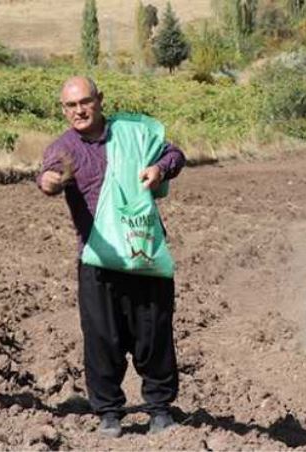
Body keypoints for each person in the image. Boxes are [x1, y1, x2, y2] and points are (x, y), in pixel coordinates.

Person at [38, 76, 185, 437]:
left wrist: (158, 170)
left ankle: (160, 409)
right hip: (98, 259)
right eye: (71, 106)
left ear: (100, 100)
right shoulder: (64, 148)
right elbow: (46, 177)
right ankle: (108, 413)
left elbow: (174, 154)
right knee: (102, 338)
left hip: (143, 253)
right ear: (63, 109)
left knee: (154, 333)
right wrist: (53, 182)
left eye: (85, 102)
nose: (79, 111)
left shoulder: (132, 134)